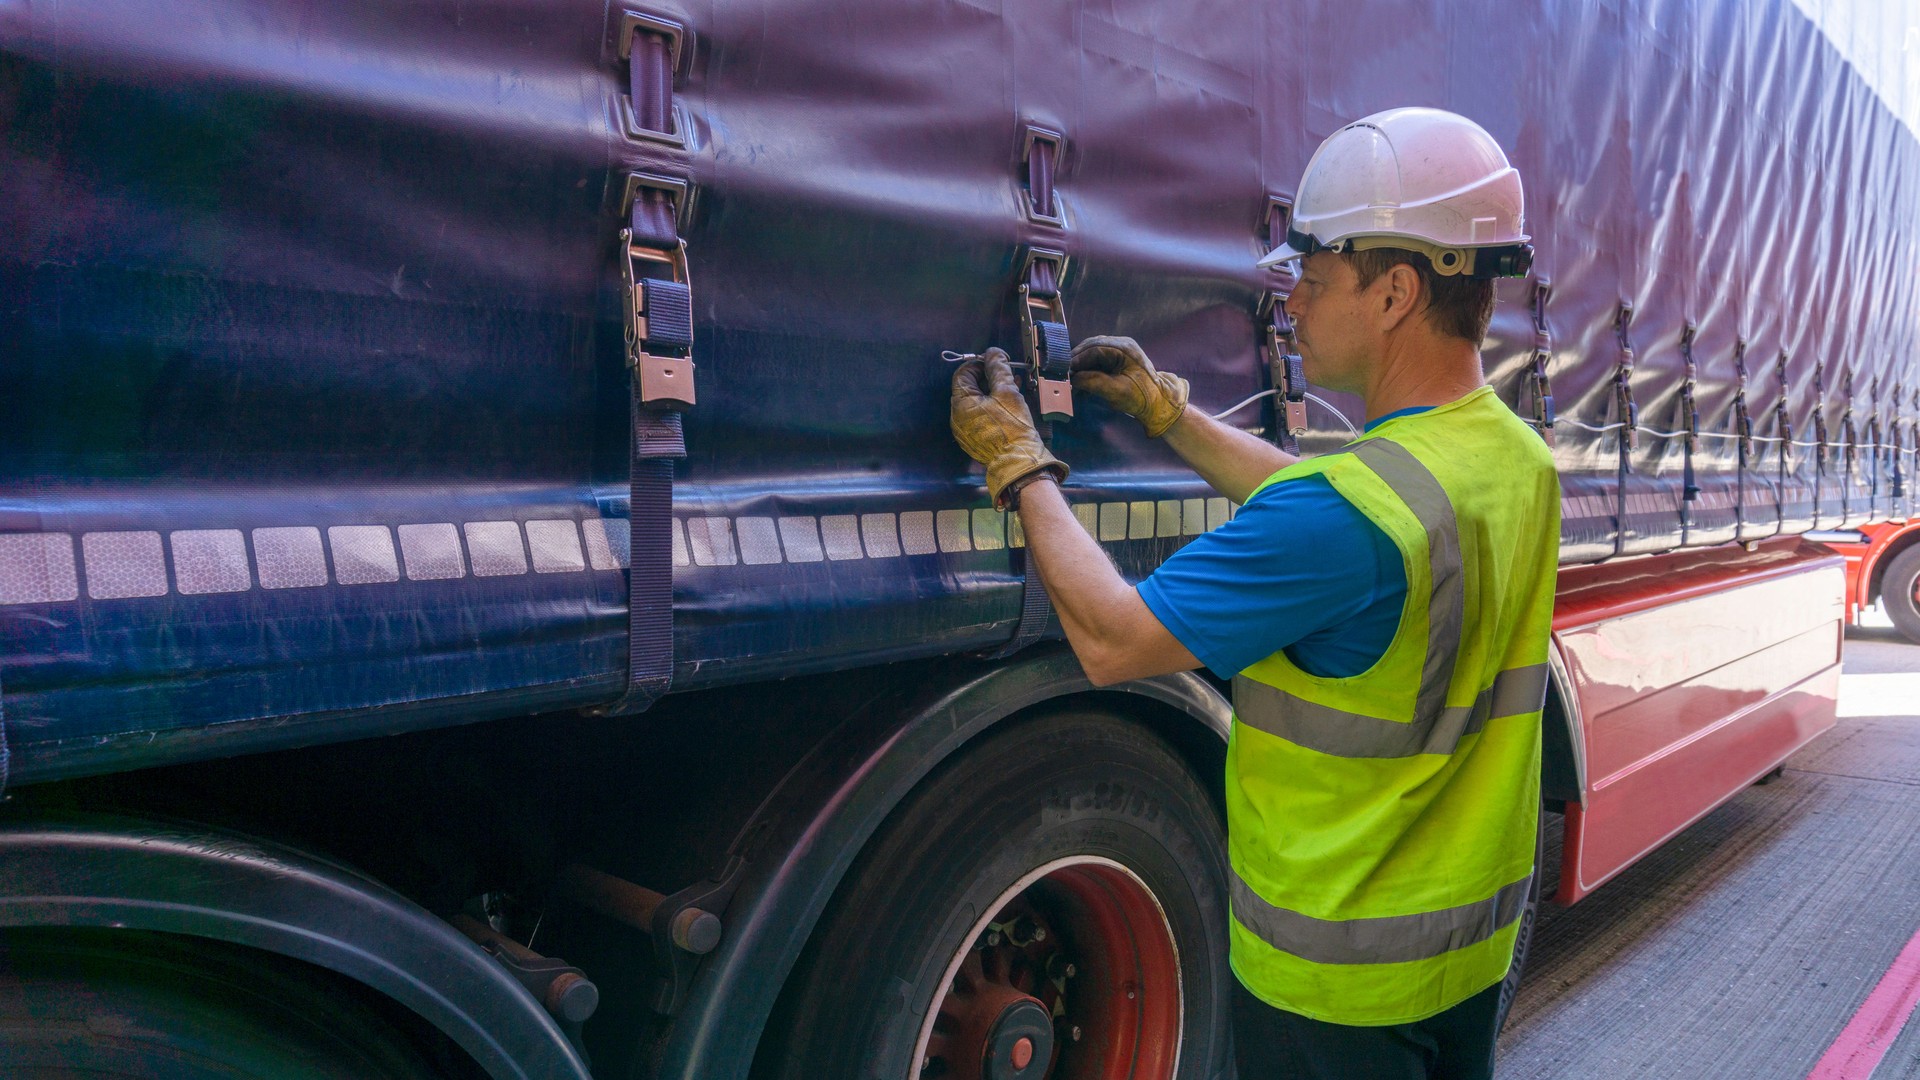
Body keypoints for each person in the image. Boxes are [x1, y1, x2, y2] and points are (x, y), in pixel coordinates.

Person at [949, 107, 1560, 1080]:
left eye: (1315, 283)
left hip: (1332, 991)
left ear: (1396, 292)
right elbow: (1332, 515)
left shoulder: (1346, 517)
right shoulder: (1517, 461)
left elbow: (1112, 640)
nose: (1295, 308)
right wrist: (1173, 418)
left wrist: (1021, 470)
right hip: (1465, 959)